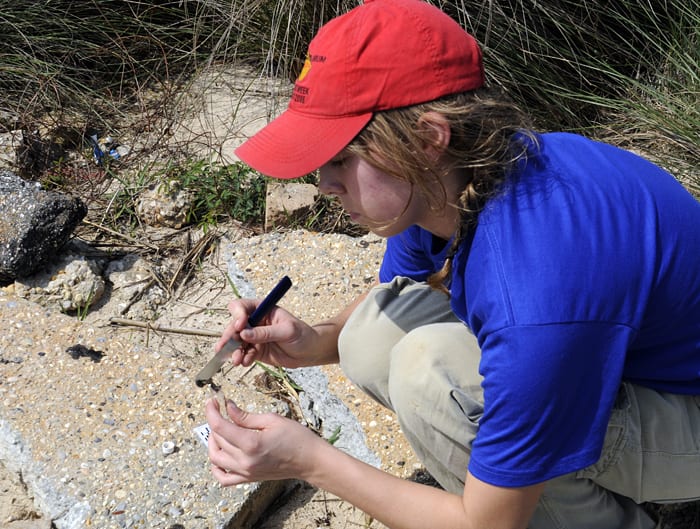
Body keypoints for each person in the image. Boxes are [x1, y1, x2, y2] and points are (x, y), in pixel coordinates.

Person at [204, 1, 700, 527]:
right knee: (371, 335)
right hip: (630, 355)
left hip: (686, 408)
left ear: (428, 138)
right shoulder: (458, 180)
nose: (323, 184)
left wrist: (309, 460)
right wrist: (311, 340)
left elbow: (486, 524)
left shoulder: (533, 291)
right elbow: (402, 291)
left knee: (429, 375)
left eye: (341, 158)